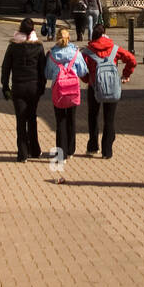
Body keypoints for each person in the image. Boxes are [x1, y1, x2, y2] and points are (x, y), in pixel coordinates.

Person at [83, 22, 137, 160]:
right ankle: (107, 151)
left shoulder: (88, 51)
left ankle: (93, 146)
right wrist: (126, 74)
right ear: (104, 34)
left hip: (94, 86)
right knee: (109, 119)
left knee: (93, 116)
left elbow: (82, 70)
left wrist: (87, 79)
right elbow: (132, 60)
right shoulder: (114, 48)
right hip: (112, 86)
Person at [0, 17, 47, 162]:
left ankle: (22, 153)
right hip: (34, 87)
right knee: (32, 118)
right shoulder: (38, 46)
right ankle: (35, 149)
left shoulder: (13, 46)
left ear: (20, 29)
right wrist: (42, 87)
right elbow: (42, 69)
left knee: (21, 120)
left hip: (19, 87)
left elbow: (6, 67)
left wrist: (5, 86)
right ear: (33, 30)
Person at [44, 27, 88, 181]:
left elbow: (47, 74)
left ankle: (61, 152)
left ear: (57, 38)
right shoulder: (76, 53)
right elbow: (83, 71)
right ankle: (71, 149)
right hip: (73, 90)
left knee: (60, 120)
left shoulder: (52, 54)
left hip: (58, 89)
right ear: (69, 38)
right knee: (71, 119)